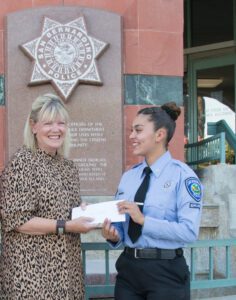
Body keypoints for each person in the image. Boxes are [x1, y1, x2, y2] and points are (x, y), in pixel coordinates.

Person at [0, 94, 97, 299]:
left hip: (67, 274)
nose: (56, 129)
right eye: (48, 123)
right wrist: (67, 225)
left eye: (61, 123)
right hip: (30, 276)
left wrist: (81, 210)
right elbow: (16, 220)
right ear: (33, 126)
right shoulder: (22, 163)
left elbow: (63, 211)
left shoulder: (68, 167)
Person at [102, 102, 202, 300]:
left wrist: (144, 221)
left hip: (166, 273)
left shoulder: (183, 177)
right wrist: (113, 234)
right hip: (128, 271)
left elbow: (189, 231)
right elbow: (121, 225)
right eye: (132, 131)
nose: (132, 136)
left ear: (159, 135)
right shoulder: (129, 177)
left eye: (138, 130)